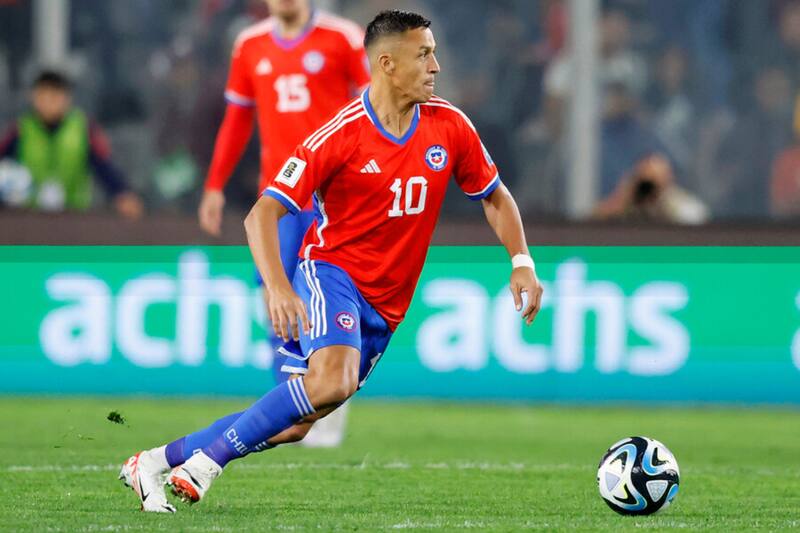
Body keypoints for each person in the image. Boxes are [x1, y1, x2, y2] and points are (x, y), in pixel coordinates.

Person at [119, 10, 543, 514]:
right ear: (387, 63)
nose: (436, 65)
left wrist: (522, 260)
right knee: (332, 382)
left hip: (387, 305)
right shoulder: (339, 135)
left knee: (299, 421)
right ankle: (206, 465)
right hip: (331, 274)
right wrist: (278, 285)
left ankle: (153, 461)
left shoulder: (449, 126)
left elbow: (493, 196)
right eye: (424, 54)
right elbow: (262, 214)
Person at [197, 0, 371, 447]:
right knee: (276, 297)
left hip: (333, 195)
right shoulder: (249, 45)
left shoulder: (342, 38)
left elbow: (378, 105)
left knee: (328, 294)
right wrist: (215, 184)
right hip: (279, 198)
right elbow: (237, 119)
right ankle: (288, 402)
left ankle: (328, 400)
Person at [0, 70, 143, 217]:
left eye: (54, 96)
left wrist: (123, 193)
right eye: (43, 96)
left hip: (74, 217)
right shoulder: (21, 130)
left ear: (67, 98)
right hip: (29, 217)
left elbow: (104, 167)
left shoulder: (83, 129)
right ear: (33, 97)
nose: (48, 103)